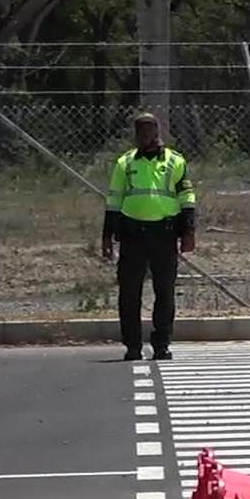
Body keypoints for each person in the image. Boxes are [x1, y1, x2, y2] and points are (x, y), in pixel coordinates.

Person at [102, 112, 196, 361]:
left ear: (158, 131)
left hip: (164, 234)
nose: (145, 134)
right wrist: (106, 237)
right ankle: (132, 346)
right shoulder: (125, 163)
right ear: (136, 134)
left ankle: (162, 344)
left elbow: (187, 198)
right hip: (132, 234)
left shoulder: (175, 161)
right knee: (129, 293)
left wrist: (188, 232)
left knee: (164, 292)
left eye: (149, 129)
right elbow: (113, 201)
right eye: (140, 130)